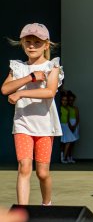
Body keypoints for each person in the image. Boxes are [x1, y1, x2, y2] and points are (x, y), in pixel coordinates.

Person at [1, 23, 64, 205]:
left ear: (46, 45)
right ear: (22, 44)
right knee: (24, 168)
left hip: (45, 126)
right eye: (28, 41)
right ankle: (23, 211)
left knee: (42, 173)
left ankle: (47, 205)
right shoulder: (18, 67)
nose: (32, 46)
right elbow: (5, 88)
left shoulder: (53, 67)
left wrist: (21, 93)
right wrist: (29, 78)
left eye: (37, 42)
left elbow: (49, 92)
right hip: (22, 124)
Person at [60, 91, 76, 164]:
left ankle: (64, 157)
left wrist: (70, 127)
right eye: (63, 100)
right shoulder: (59, 108)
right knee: (63, 142)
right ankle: (63, 157)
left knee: (69, 141)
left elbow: (68, 119)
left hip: (66, 126)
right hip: (61, 126)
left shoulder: (67, 109)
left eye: (66, 100)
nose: (65, 102)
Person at [67, 90, 80, 163]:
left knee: (73, 142)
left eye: (72, 100)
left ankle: (70, 156)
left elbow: (78, 118)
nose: (71, 102)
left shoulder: (75, 108)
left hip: (75, 125)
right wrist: (70, 126)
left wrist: (74, 126)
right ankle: (66, 156)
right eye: (70, 100)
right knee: (68, 141)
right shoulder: (67, 108)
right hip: (68, 125)